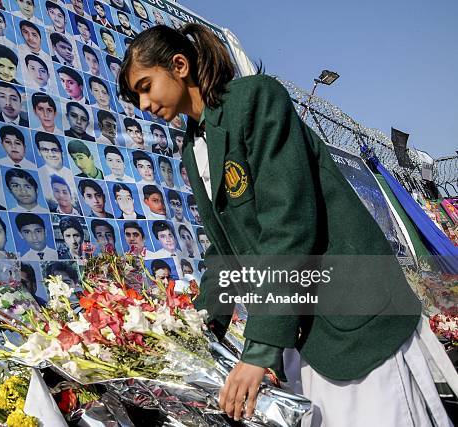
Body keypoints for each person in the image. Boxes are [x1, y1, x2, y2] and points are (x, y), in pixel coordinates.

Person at [119, 24, 456, 426]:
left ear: (179, 65)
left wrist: (258, 351)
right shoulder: (195, 147)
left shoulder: (254, 99)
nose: (143, 103)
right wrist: (199, 328)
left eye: (145, 85)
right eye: (135, 95)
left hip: (352, 313)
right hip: (308, 327)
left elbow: (288, 223)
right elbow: (227, 252)